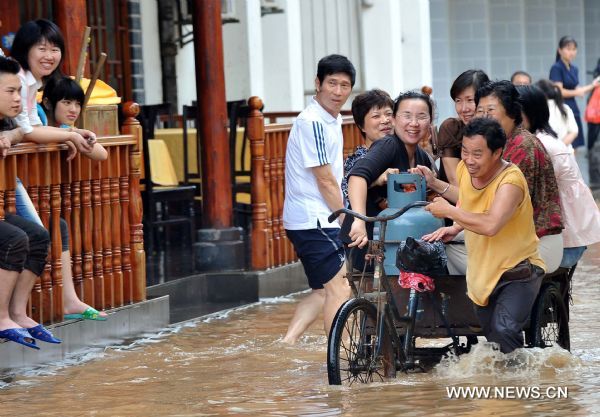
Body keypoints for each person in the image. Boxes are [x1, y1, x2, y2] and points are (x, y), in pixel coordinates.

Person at [414, 81, 564, 274]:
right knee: (441, 246)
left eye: (490, 110)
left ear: (511, 112)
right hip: (507, 236)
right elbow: (476, 201)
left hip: (536, 243)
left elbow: (494, 214)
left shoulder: (522, 146)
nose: (484, 116)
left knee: (447, 254)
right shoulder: (497, 144)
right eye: (480, 111)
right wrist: (456, 227)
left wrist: (451, 214)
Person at [423, 118, 545, 354]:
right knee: (491, 339)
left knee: (504, 330)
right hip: (483, 271)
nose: (469, 160)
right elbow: (471, 202)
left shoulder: (511, 181)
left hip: (517, 271)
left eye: (477, 154)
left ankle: (522, 386)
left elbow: (491, 224)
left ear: (497, 152)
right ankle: (502, 385)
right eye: (464, 151)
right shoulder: (464, 170)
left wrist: (450, 212)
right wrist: (455, 226)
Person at [11, 20, 107, 320]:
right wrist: (70, 135)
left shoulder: (31, 83)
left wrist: (72, 135)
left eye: (55, 49)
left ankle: (63, 301)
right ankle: (12, 313)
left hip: (20, 177)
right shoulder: (20, 79)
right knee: (37, 235)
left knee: (52, 228)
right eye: (41, 48)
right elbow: (27, 131)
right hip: (11, 178)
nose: (49, 55)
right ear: (24, 50)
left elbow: (33, 129)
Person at [282, 54, 355, 344]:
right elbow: (324, 179)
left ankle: (286, 345)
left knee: (323, 291)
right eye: (332, 83)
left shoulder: (329, 119)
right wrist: (346, 219)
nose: (338, 92)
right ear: (318, 83)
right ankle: (341, 360)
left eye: (345, 85)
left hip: (307, 219)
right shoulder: (312, 122)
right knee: (341, 288)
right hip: (316, 219)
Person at [0, 55, 57, 348]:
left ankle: (17, 313)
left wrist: (12, 133)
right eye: (10, 92)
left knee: (37, 235)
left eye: (18, 91)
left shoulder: (6, 121)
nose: (17, 98)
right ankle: (0, 317)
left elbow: (23, 131)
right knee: (13, 238)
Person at [41, 76, 108, 320]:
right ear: (48, 103)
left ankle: (69, 300)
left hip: (44, 201)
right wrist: (69, 134)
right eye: (67, 102)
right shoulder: (37, 117)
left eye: (77, 104)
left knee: (60, 226)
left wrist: (74, 133)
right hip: (24, 197)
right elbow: (33, 133)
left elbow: (101, 155)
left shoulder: (62, 128)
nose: (73, 109)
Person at [517, 84, 600, 267]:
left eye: (516, 112)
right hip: (567, 235)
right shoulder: (536, 140)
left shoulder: (542, 145)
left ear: (532, 113)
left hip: (566, 240)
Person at [344, 90, 435, 250]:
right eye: (407, 116)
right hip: (368, 241)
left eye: (421, 117)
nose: (414, 123)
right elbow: (356, 177)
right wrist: (359, 220)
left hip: (402, 241)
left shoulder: (423, 157)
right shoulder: (388, 145)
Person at [341, 89, 394, 205]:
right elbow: (346, 192)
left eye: (389, 114)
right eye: (376, 116)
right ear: (362, 126)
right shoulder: (357, 159)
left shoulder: (401, 150)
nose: (385, 120)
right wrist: (376, 181)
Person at [437, 70, 489, 186]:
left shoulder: (495, 130)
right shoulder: (451, 128)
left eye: (470, 100)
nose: (464, 108)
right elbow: (456, 181)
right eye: (458, 101)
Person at [549, 36, 600, 150]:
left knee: (575, 145)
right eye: (568, 49)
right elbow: (559, 92)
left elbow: (578, 89)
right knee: (563, 145)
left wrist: (594, 84)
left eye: (574, 49)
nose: (571, 52)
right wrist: (579, 91)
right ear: (560, 50)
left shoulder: (574, 68)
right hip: (561, 108)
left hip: (573, 108)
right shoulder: (556, 68)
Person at [536, 79, 578, 151]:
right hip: (566, 153)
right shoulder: (565, 108)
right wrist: (560, 146)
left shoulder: (537, 108)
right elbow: (574, 131)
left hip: (546, 154)